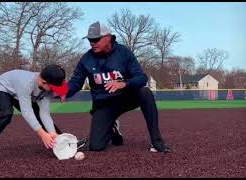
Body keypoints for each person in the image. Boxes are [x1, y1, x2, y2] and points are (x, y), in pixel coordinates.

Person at [62, 21, 170, 153]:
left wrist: (124, 83)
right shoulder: (86, 59)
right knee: (96, 146)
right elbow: (76, 82)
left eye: (96, 39)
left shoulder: (123, 53)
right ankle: (112, 126)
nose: (92, 43)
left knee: (145, 92)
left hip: (125, 98)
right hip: (103, 104)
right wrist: (61, 91)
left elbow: (141, 78)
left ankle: (157, 141)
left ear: (108, 37)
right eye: (90, 40)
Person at [0, 64, 85, 165]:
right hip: (2, 87)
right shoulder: (27, 84)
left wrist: (52, 133)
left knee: (38, 114)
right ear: (44, 82)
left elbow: (44, 113)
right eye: (54, 88)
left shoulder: (46, 87)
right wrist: (42, 134)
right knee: (6, 113)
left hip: (17, 93)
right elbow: (27, 111)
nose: (55, 92)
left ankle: (63, 141)